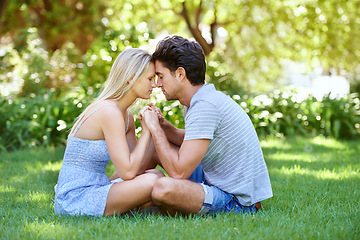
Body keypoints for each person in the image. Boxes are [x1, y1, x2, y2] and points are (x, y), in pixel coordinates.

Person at [141, 35, 273, 216]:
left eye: (161, 76)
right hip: (215, 180)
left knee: (163, 188)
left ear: (180, 74)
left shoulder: (205, 106)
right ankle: (109, 190)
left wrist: (155, 129)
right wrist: (163, 125)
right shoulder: (199, 100)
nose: (157, 84)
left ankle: (142, 202)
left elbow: (178, 173)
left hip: (237, 201)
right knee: (154, 147)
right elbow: (193, 140)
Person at [54, 48, 164, 216]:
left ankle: (137, 207)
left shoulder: (126, 117)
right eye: (150, 79)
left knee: (155, 174)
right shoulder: (109, 112)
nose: (155, 84)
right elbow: (127, 173)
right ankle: (139, 207)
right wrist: (147, 131)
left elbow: (137, 168)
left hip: (98, 186)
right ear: (130, 78)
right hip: (75, 197)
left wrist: (152, 125)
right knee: (152, 180)